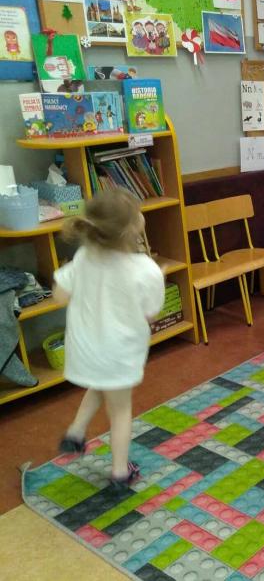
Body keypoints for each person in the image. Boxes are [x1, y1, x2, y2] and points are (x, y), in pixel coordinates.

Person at [55, 189, 165, 487]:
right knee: (120, 410)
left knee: (100, 384)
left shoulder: (84, 257)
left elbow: (59, 294)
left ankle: (76, 432)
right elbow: (151, 313)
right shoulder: (146, 269)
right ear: (131, 229)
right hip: (118, 353)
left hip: (87, 349)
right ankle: (119, 472)